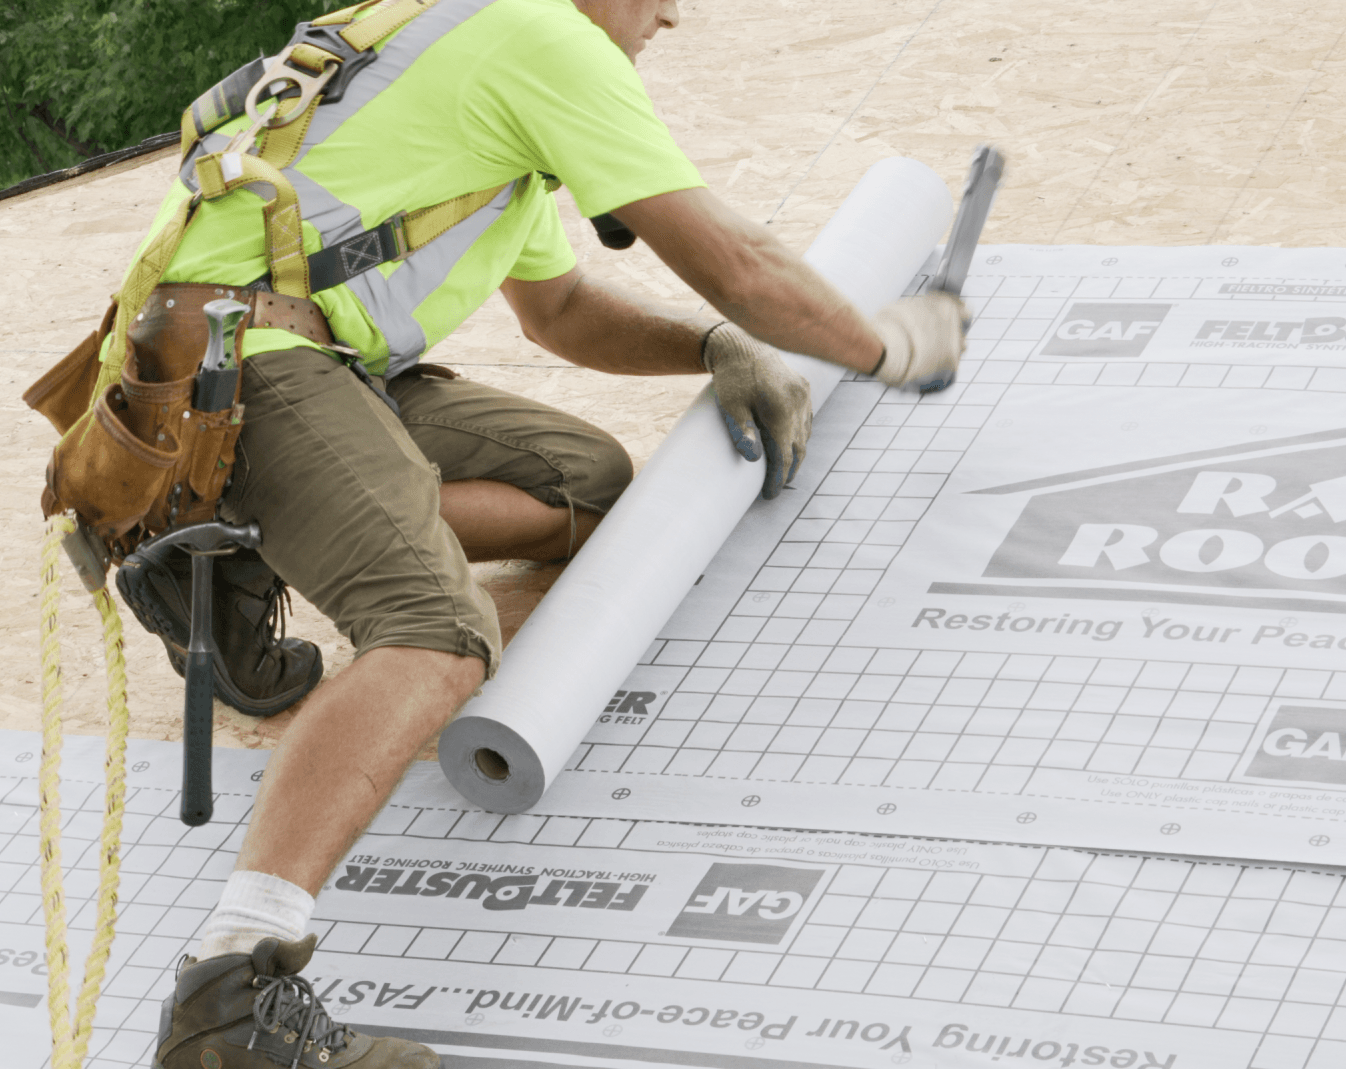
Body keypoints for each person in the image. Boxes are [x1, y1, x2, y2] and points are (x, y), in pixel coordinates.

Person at [123, 0, 965, 1064]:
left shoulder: (468, 60)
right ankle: (230, 992)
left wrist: (712, 347)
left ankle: (240, 536)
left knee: (589, 482)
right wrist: (884, 340)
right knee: (435, 632)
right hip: (246, 365)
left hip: (292, 363)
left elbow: (562, 314)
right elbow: (740, 261)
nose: (672, 13)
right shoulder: (540, 34)